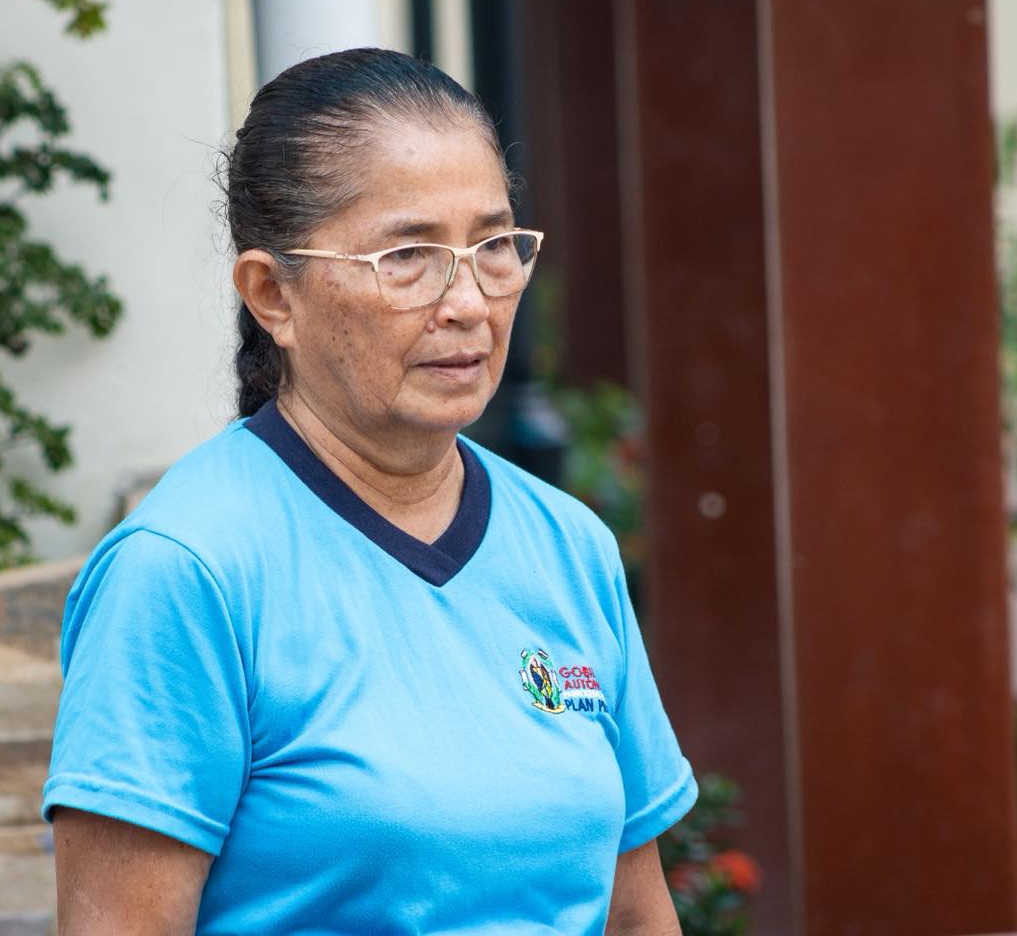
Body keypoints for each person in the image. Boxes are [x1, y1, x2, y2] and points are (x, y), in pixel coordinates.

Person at [42, 47, 696, 935]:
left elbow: (637, 915)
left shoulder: (566, 545)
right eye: (409, 256)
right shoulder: (187, 571)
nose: (469, 302)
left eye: (494, 247)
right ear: (272, 295)